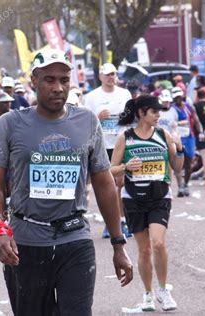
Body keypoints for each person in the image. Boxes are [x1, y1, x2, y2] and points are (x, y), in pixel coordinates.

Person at [0, 49, 133, 315]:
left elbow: (104, 183)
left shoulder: (86, 121)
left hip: (75, 238)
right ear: (34, 81)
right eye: (49, 80)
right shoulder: (10, 124)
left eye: (64, 80)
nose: (58, 87)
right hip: (26, 242)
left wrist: (118, 243)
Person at [110, 95, 183, 311]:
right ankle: (148, 294)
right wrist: (126, 167)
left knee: (158, 243)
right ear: (141, 113)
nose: (159, 116)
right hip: (133, 198)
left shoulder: (163, 134)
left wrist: (179, 149)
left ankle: (163, 290)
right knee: (144, 250)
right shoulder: (126, 137)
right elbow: (110, 169)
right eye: (154, 112)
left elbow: (177, 167)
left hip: (159, 196)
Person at [84, 62, 133, 238]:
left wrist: (123, 119)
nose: (111, 77)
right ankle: (109, 224)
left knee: (120, 184)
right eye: (107, 75)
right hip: (101, 146)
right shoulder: (91, 97)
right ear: (100, 77)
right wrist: (98, 117)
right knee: (107, 186)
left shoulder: (124, 94)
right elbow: (85, 122)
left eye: (113, 74)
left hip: (120, 144)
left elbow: (131, 118)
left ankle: (122, 221)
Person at [171, 87, 204, 197]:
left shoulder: (189, 107)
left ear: (182, 96)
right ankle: (180, 186)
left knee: (188, 164)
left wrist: (201, 132)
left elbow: (196, 120)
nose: (178, 99)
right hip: (176, 138)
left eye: (179, 97)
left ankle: (185, 184)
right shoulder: (171, 109)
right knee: (177, 164)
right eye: (175, 98)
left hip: (189, 137)